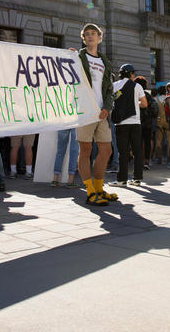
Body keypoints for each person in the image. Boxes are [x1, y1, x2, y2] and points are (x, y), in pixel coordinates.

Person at [75, 23, 117, 206]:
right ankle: (90, 191)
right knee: (85, 150)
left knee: (106, 150)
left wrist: (107, 107)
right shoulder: (77, 57)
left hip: (102, 113)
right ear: (83, 38)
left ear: (100, 38)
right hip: (85, 110)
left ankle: (99, 187)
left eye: (94, 33)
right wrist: (68, 58)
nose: (91, 36)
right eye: (87, 34)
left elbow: (110, 90)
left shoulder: (104, 61)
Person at [110, 64, 148, 186]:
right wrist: (135, 104)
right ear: (131, 74)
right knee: (137, 151)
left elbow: (111, 102)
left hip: (121, 123)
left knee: (123, 152)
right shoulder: (137, 86)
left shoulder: (114, 85)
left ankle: (122, 180)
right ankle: (137, 179)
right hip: (135, 122)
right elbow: (145, 104)